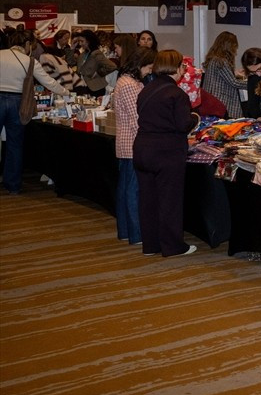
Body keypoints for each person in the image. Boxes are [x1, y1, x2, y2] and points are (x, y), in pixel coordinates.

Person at [133, 49, 196, 257]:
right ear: (176, 68)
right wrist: (195, 118)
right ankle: (173, 246)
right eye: (183, 66)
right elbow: (183, 124)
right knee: (170, 201)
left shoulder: (147, 89)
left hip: (142, 148)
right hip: (166, 151)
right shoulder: (177, 94)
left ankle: (151, 245)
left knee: (148, 199)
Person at [1, 32, 69, 194]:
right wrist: (66, 92)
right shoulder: (29, 61)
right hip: (18, 103)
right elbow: (49, 82)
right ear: (26, 44)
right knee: (15, 145)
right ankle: (13, 186)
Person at [113, 46, 155, 246]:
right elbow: (135, 117)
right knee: (132, 190)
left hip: (127, 142)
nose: (149, 71)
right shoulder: (129, 84)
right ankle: (136, 233)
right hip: (131, 143)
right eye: (148, 67)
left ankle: (126, 231)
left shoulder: (125, 80)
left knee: (125, 189)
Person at [201, 31, 245, 118]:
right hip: (221, 100)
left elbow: (222, 77)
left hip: (211, 99)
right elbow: (233, 82)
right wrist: (252, 84)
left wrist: (234, 73)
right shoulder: (221, 61)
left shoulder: (213, 58)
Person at [73, 29, 116, 95]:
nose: (80, 44)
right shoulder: (82, 54)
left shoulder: (97, 54)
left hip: (96, 88)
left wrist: (98, 73)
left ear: (89, 41)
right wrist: (72, 48)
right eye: (79, 41)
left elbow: (112, 66)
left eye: (82, 41)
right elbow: (72, 63)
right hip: (83, 87)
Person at [239, 47, 261, 118]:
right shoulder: (253, 77)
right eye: (253, 72)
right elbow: (252, 105)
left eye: (259, 69)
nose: (259, 74)